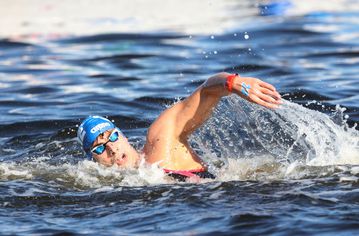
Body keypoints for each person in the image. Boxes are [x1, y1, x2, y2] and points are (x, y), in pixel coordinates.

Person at [77, 72, 282, 181]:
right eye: (99, 147)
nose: (111, 148)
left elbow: (206, 91)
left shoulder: (159, 143)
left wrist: (233, 83)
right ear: (92, 160)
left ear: (123, 137)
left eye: (111, 137)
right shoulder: (107, 189)